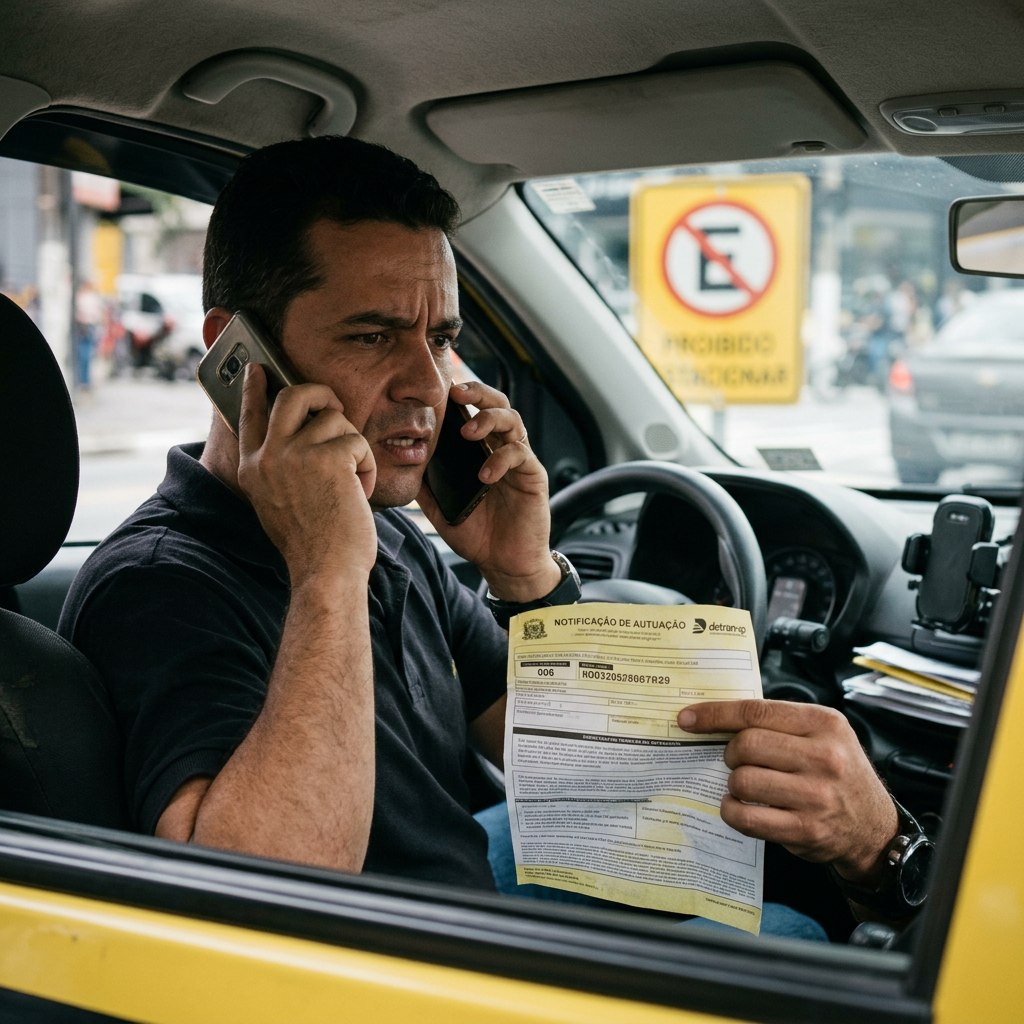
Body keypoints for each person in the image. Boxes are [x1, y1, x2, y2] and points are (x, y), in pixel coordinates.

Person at [59, 136, 900, 940]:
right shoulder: (160, 586)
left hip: (449, 905)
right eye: (372, 336)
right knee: (797, 942)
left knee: (763, 891)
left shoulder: (387, 540)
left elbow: (596, 783)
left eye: (441, 340)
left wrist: (524, 574)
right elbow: (251, 914)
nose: (428, 385)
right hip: (385, 980)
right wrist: (327, 576)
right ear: (237, 355)